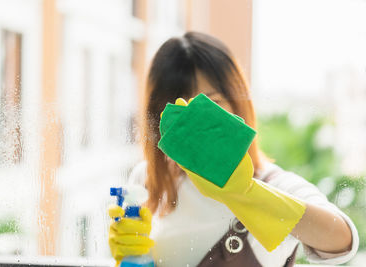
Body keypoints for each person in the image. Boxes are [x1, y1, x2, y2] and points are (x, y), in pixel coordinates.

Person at [108, 32, 359, 267]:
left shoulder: (275, 184)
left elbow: (342, 239)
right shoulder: (147, 179)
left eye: (212, 104)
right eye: (179, 112)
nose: (197, 126)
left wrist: (245, 193)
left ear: (237, 105)